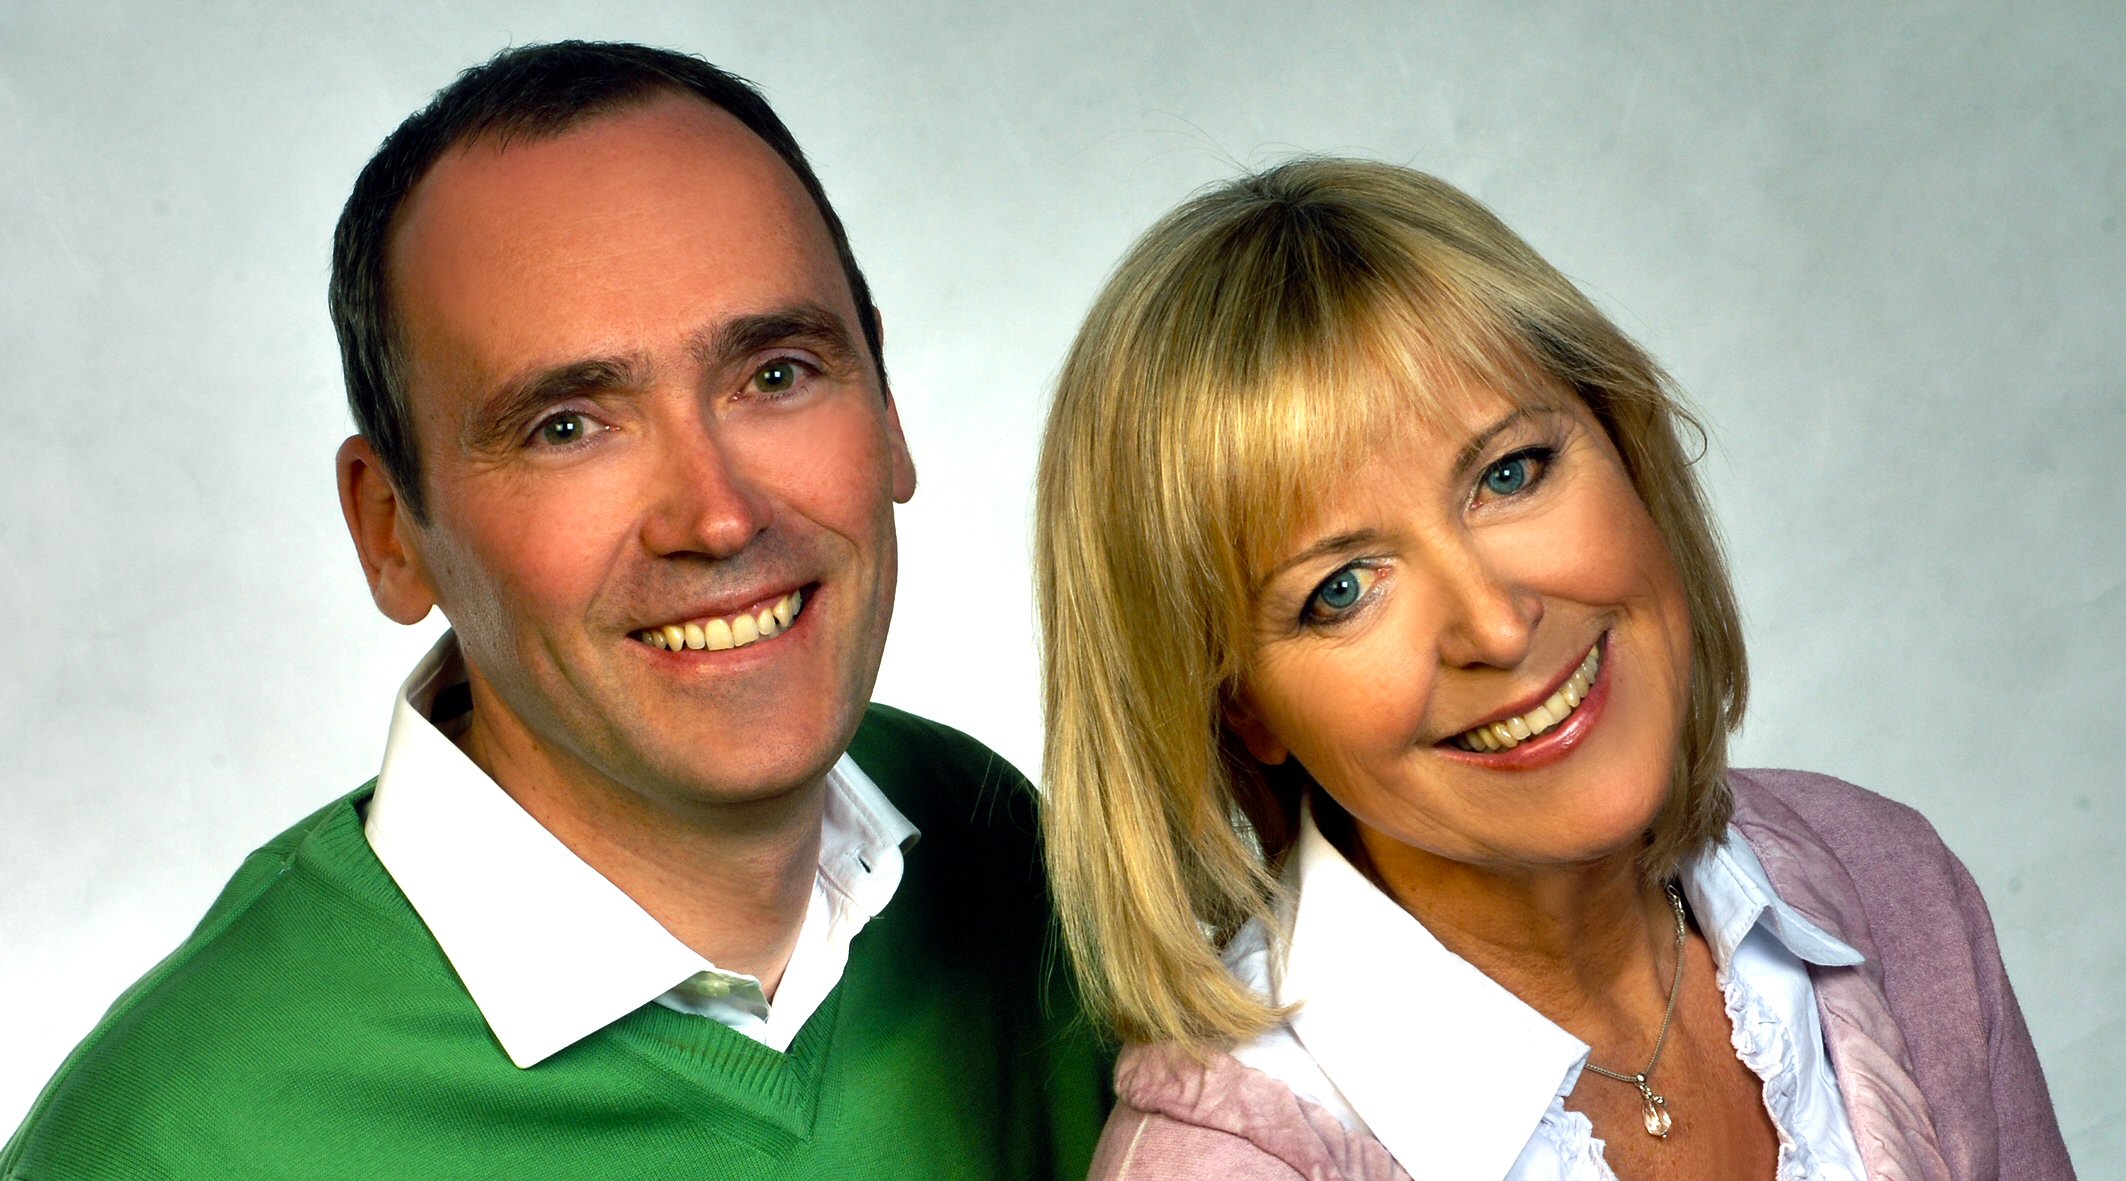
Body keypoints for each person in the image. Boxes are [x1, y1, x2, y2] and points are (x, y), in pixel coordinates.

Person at [3, 41, 1106, 1180]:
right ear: (390, 529)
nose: (719, 515)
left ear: (886, 402)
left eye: (776, 373)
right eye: (567, 426)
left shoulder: (1004, 855)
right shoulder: (174, 1138)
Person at [1034, 158, 2072, 1179]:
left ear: (1622, 442)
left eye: (1509, 473)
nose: (1494, 624)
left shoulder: (1893, 881)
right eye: (1342, 587)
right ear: (1236, 705)